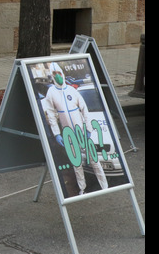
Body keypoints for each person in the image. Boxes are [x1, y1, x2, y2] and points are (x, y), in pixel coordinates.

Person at [41, 63, 109, 196]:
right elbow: (51, 115)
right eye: (55, 74)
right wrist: (57, 134)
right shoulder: (51, 93)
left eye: (59, 73)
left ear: (62, 73)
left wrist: (88, 128)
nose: (58, 77)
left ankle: (105, 185)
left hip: (81, 131)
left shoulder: (72, 91)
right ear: (52, 76)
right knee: (77, 163)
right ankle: (82, 188)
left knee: (94, 160)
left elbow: (85, 110)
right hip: (69, 134)